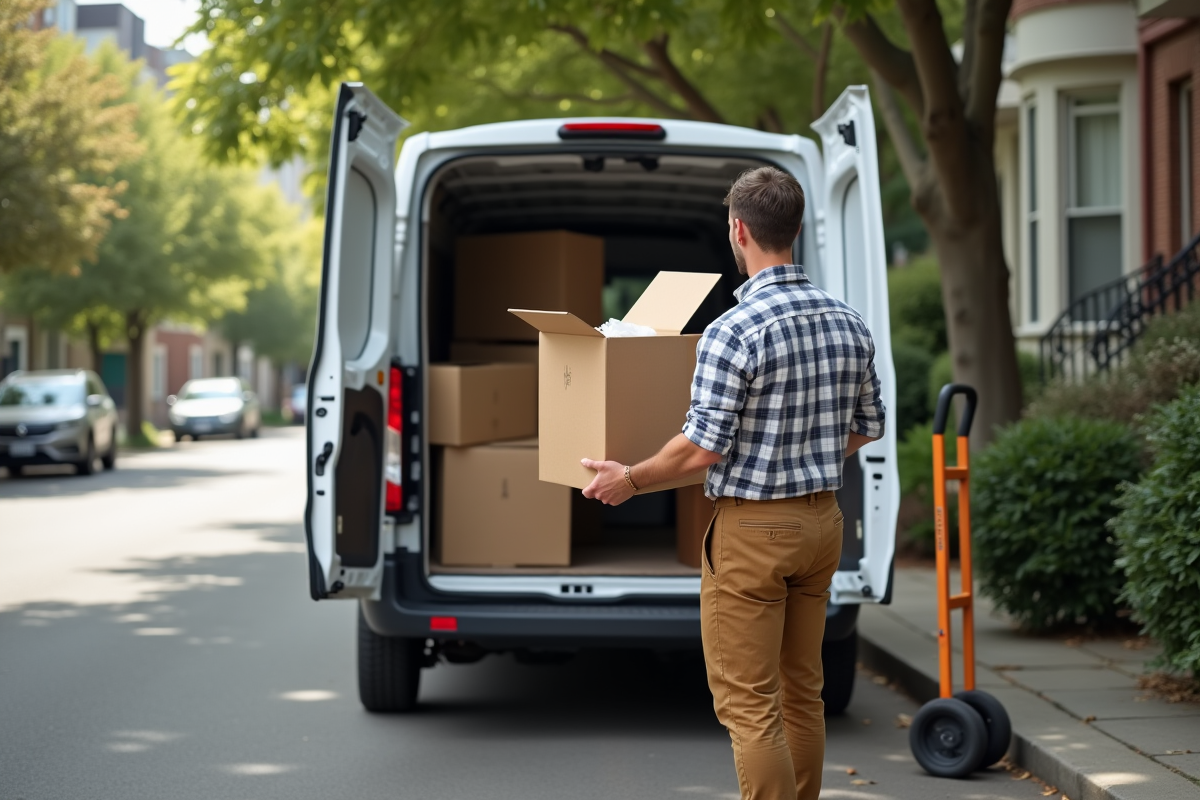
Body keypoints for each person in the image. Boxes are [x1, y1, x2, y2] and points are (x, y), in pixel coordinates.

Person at [581, 166, 886, 800]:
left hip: (754, 531)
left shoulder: (733, 330)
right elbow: (867, 427)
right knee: (803, 690)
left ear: (737, 229)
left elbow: (700, 450)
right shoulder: (850, 323)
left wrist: (629, 481)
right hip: (821, 523)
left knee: (750, 704)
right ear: (795, 229)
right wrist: (806, 450)